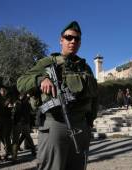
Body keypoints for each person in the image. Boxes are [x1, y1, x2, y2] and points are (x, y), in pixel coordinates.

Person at [17, 21, 98, 170]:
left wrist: (90, 121)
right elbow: (21, 82)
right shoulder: (48, 62)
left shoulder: (85, 67)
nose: (73, 41)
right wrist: (41, 79)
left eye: (77, 39)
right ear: (61, 40)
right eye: (69, 37)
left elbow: (94, 97)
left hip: (81, 126)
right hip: (55, 124)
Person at [11, 93, 36, 162]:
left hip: (18, 123)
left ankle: (14, 157)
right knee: (28, 137)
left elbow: (14, 113)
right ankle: (33, 151)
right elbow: (31, 111)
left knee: (15, 140)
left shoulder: (17, 103)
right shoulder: (27, 103)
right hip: (26, 123)